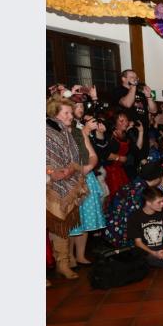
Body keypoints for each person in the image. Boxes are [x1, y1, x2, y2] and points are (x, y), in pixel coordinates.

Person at [47, 96, 88, 279]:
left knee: (61, 226)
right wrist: (50, 172)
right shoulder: (44, 130)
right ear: (55, 113)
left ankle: (62, 264)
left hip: (66, 183)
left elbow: (75, 158)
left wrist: (72, 169)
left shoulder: (66, 131)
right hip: (48, 187)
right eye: (67, 113)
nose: (71, 116)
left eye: (71, 112)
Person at [69, 114, 106, 266]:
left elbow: (93, 155)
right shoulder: (58, 132)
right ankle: (68, 257)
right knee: (72, 220)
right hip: (70, 177)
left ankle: (80, 255)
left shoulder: (80, 132)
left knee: (85, 219)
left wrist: (89, 167)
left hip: (87, 176)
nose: (70, 116)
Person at [104, 162, 163, 248]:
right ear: (156, 178)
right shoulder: (143, 192)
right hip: (124, 236)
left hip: (111, 229)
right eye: (161, 177)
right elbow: (138, 218)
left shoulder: (133, 184)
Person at [114, 69, 157, 133]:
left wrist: (149, 96)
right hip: (129, 130)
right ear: (123, 79)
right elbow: (128, 104)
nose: (135, 79)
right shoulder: (118, 91)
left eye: (136, 77)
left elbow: (154, 110)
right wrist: (133, 86)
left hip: (144, 129)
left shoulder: (140, 93)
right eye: (132, 77)